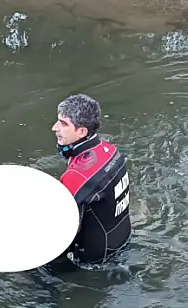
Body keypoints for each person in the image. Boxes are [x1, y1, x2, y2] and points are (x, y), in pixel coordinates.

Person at [48, 93, 132, 272]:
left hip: (94, 258)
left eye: (63, 124)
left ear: (82, 132)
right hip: (121, 236)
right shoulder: (110, 150)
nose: (55, 128)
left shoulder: (79, 174)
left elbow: (51, 219)